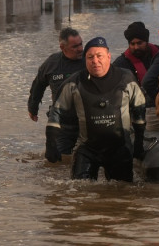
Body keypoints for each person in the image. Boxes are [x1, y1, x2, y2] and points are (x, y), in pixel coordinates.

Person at [46, 37, 147, 182]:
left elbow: (139, 109)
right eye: (90, 57)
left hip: (119, 149)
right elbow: (56, 112)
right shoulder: (74, 83)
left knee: (123, 195)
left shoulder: (126, 78)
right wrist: (50, 144)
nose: (95, 61)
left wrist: (138, 142)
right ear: (85, 60)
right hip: (88, 149)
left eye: (99, 56)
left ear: (108, 56)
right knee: (80, 193)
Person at [27, 27, 84, 157]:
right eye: (75, 46)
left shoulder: (90, 61)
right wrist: (32, 108)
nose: (80, 49)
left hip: (86, 121)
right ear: (62, 47)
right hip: (62, 122)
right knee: (58, 161)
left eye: (81, 44)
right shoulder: (51, 63)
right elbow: (38, 86)